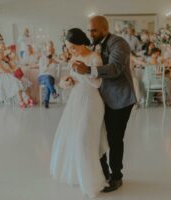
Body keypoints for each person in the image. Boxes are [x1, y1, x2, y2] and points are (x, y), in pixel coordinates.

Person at [72, 15, 136, 192]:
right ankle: (102, 173)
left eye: (94, 30)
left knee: (114, 139)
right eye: (89, 30)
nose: (90, 33)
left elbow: (115, 68)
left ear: (104, 29)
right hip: (98, 100)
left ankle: (116, 176)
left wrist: (88, 69)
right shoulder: (93, 44)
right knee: (96, 136)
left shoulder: (119, 43)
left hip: (120, 99)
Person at [50, 28, 108, 198]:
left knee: (85, 140)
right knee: (74, 138)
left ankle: (92, 182)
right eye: (68, 47)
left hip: (91, 101)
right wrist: (67, 81)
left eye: (73, 47)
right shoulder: (74, 58)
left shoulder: (94, 57)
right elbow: (71, 78)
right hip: (76, 100)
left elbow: (97, 84)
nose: (71, 51)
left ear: (82, 43)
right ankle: (79, 176)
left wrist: (85, 72)